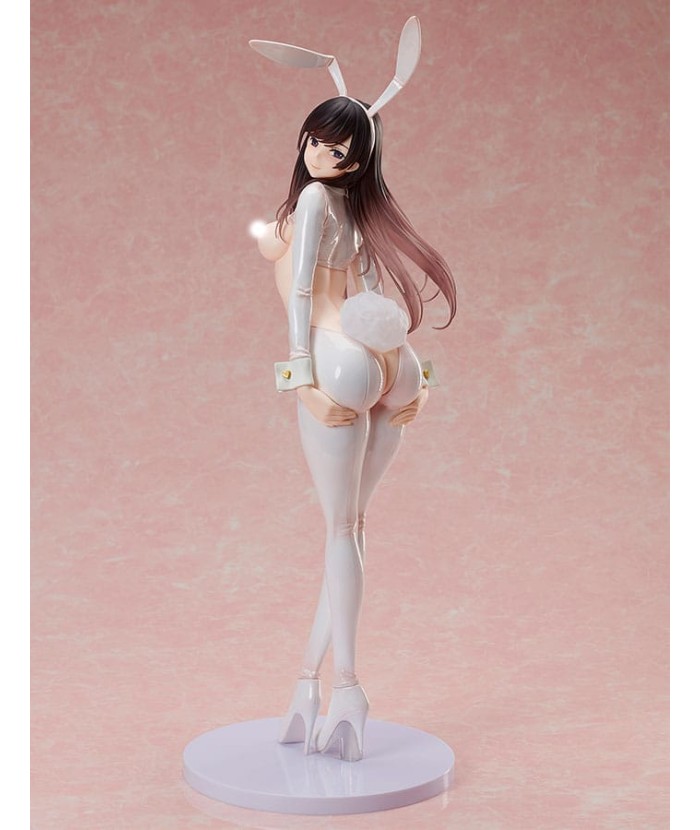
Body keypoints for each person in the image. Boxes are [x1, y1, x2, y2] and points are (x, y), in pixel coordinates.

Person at [252, 20, 456, 762]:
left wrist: (299, 378)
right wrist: (416, 375)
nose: (322, 156)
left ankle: (348, 687)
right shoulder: (357, 210)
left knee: (343, 532)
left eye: (339, 151)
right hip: (391, 361)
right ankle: (308, 686)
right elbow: (370, 292)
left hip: (337, 361)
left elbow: (305, 295)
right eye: (317, 142)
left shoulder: (312, 204)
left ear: (359, 159)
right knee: (351, 532)